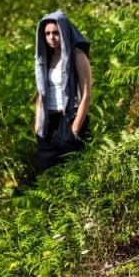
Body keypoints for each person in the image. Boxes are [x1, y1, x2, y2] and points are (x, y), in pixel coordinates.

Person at [34, 10, 92, 173]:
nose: (51, 37)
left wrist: (74, 130)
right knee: (45, 174)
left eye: (56, 33)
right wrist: (37, 126)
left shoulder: (77, 56)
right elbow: (41, 94)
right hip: (48, 124)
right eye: (47, 34)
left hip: (69, 119)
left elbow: (86, 94)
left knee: (75, 175)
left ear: (64, 32)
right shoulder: (45, 58)